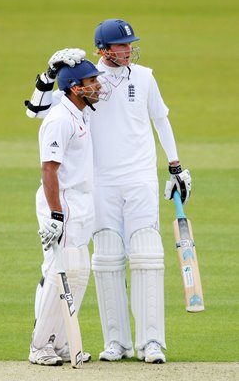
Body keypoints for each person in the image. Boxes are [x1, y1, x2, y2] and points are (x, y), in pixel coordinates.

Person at [25, 20, 191, 364]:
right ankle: (116, 342)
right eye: (120, 45)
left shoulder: (141, 77)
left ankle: (152, 343)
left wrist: (175, 166)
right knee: (106, 259)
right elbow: (37, 110)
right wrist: (49, 72)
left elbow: (161, 119)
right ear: (103, 49)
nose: (128, 49)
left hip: (141, 178)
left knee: (147, 255)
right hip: (98, 185)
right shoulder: (83, 81)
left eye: (130, 44)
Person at [28, 56, 106, 366]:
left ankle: (62, 342)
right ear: (75, 88)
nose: (97, 86)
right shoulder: (60, 119)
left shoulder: (80, 110)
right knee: (59, 271)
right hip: (63, 202)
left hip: (82, 200)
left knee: (76, 273)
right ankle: (40, 345)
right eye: (91, 82)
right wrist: (56, 214)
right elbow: (49, 170)